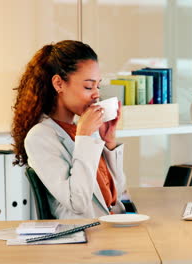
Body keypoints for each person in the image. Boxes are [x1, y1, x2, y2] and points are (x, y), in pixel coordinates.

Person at [11, 40, 125, 219]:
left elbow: (116, 196)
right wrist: (85, 137)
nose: (96, 94)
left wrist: (109, 143)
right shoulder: (40, 137)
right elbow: (77, 202)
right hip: (85, 236)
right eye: (88, 86)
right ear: (58, 84)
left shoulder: (83, 129)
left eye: (98, 86)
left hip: (113, 227)